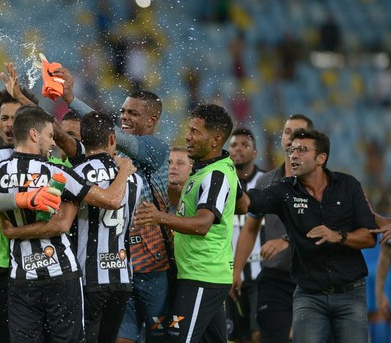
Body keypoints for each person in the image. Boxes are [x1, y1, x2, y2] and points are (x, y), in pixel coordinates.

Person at [0, 105, 135, 342]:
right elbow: (112, 200)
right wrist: (123, 170)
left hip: (21, 276)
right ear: (34, 134)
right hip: (61, 274)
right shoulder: (58, 173)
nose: (53, 143)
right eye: (50, 136)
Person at [54, 66, 172, 343]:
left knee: (161, 337)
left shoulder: (156, 148)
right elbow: (77, 146)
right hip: (121, 266)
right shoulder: (113, 155)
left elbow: (118, 138)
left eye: (133, 113)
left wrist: (72, 100)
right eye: (122, 111)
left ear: (153, 119)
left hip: (154, 267)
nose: (124, 117)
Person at [242, 129, 376, 343]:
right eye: (292, 150)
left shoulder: (348, 186)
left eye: (302, 150)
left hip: (350, 294)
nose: (293, 155)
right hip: (308, 295)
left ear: (321, 158)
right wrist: (232, 185)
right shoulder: (283, 191)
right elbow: (249, 203)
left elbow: (369, 238)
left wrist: (338, 236)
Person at [134, 104, 240, 342]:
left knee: (174, 339)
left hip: (202, 276)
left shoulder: (216, 175)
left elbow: (203, 224)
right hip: (201, 274)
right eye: (189, 130)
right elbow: (243, 203)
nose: (188, 136)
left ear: (216, 140)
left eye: (195, 131)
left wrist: (159, 217)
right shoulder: (213, 170)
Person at [232, 114, 314, 343]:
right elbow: (250, 229)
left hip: (311, 278)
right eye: (287, 133)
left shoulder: (320, 183)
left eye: (298, 134)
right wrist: (237, 271)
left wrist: (286, 240)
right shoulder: (266, 182)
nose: (291, 139)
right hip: (274, 278)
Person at [71, 111, 143, 343]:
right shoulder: (134, 178)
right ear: (112, 139)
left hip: (87, 276)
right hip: (121, 276)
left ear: (82, 139)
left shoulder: (78, 174)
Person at [226, 128, 264, 343]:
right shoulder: (221, 183)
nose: (238, 148)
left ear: (255, 153)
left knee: (259, 333)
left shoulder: (266, 183)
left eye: (244, 144)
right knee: (235, 337)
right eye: (233, 145)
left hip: (261, 274)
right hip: (227, 275)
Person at [167, 146, 191, 214]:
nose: (173, 167)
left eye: (180, 163)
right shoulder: (153, 197)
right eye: (169, 162)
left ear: (192, 168)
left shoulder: (197, 198)